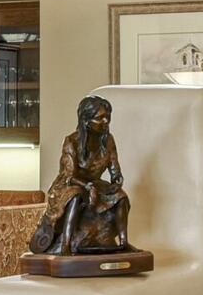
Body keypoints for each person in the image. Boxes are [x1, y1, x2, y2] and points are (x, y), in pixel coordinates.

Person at [29, 95, 134, 255]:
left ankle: (124, 242)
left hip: (94, 184)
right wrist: (87, 187)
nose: (106, 121)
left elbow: (114, 166)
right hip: (69, 185)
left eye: (107, 117)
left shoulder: (108, 140)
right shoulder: (72, 142)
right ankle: (66, 245)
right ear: (86, 121)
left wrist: (117, 178)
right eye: (100, 118)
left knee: (121, 197)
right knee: (76, 196)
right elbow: (68, 175)